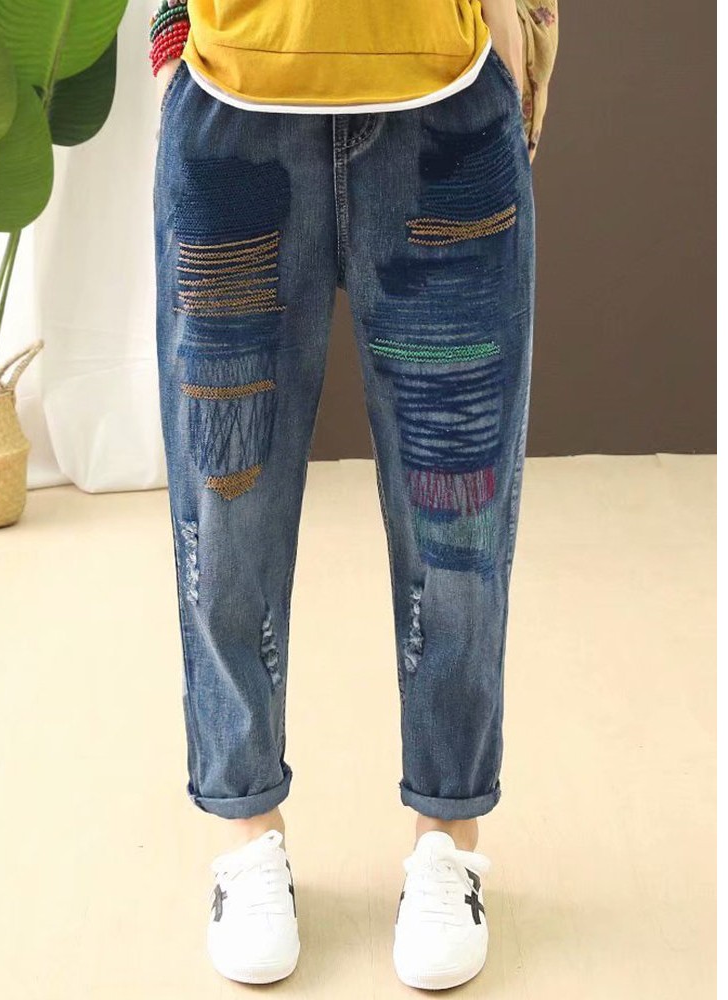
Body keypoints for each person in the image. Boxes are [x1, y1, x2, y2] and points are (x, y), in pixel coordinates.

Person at [150, 0, 558, 989]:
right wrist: (169, 46)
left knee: (457, 523)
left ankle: (447, 841)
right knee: (226, 511)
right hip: (234, 102)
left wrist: (521, 30)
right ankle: (248, 835)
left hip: (444, 102)